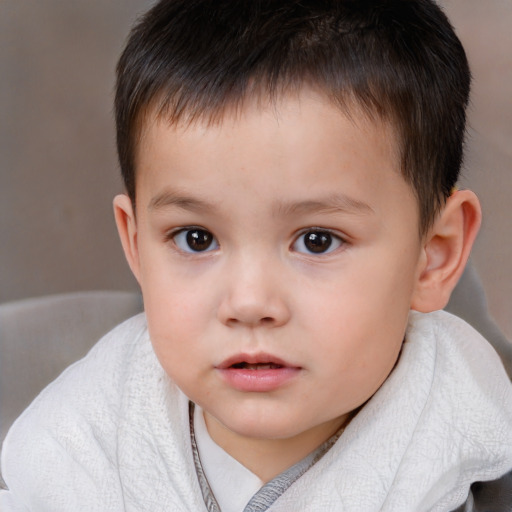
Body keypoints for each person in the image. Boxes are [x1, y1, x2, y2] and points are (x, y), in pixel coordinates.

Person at [2, 1, 512, 510]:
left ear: (434, 255)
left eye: (317, 240)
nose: (249, 302)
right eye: (195, 238)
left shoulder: (474, 459)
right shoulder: (74, 455)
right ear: (136, 244)